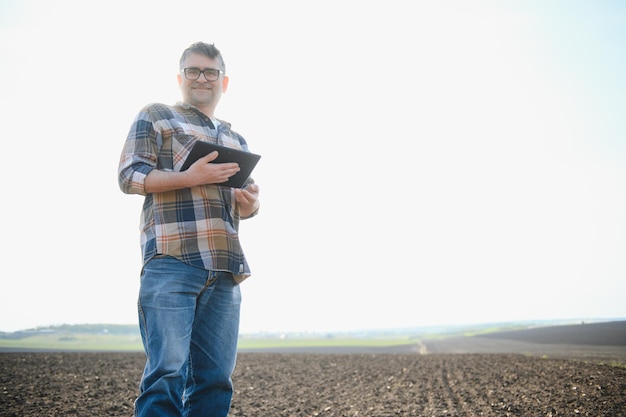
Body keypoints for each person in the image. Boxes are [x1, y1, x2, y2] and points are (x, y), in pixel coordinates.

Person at [118, 42, 260, 417]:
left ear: (223, 81)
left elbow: (246, 205)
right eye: (193, 71)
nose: (202, 78)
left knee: (215, 381)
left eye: (210, 72)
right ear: (180, 77)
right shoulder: (157, 116)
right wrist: (188, 177)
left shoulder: (236, 140)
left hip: (225, 269)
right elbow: (129, 175)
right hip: (172, 262)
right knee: (166, 374)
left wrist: (251, 204)